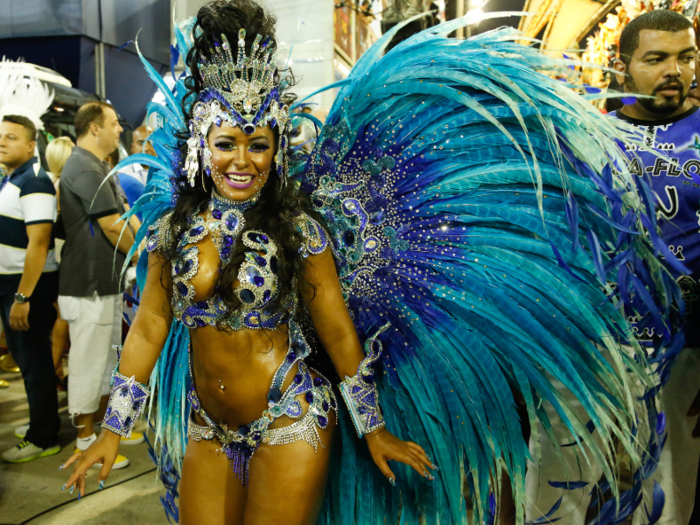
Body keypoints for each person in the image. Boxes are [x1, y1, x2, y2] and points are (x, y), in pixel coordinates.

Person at [62, 2, 679, 524]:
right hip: (208, 426)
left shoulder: (300, 231)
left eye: (259, 143)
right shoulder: (172, 231)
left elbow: (334, 329)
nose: (242, 161)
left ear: (277, 148)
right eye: (226, 144)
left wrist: (374, 427)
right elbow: (148, 327)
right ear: (201, 145)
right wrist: (114, 429)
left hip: (289, 419)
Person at [610, 10, 700, 524]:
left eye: (686, 57)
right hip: (596, 351)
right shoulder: (584, 134)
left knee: (669, 502)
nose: (675, 70)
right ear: (623, 67)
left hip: (686, 355)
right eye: (656, 58)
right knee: (577, 491)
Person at [57, 101, 142, 470]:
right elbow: (112, 226)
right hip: (87, 286)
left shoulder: (98, 166)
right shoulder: (83, 166)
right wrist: (139, 253)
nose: (119, 129)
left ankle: (108, 430)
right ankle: (85, 439)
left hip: (104, 285)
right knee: (88, 364)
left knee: (109, 361)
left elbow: (124, 217)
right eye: (113, 123)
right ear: (94, 128)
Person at [0, 115, 61, 462]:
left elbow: (39, 244)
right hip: (12, 284)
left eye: (12, 137)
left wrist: (22, 297)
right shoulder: (12, 179)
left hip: (25, 287)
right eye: (0, 136)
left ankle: (44, 436)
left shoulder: (34, 181)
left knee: (34, 360)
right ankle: (41, 421)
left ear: (29, 145)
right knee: (25, 361)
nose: (2, 142)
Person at [44, 136, 74, 385]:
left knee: (61, 317)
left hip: (55, 259)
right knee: (63, 317)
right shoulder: (62, 186)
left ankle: (55, 371)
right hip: (63, 259)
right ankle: (54, 371)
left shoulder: (50, 182)